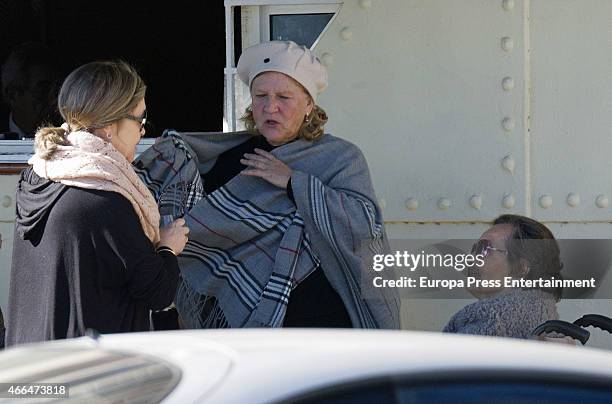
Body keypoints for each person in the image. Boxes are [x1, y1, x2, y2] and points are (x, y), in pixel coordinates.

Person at [135, 40, 400, 329]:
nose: (270, 107)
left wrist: (293, 182)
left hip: (325, 325)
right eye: (261, 95)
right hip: (244, 332)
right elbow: (197, 231)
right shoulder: (223, 157)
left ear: (309, 104)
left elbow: (364, 226)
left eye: (284, 97)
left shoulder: (340, 158)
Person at [6, 60, 189, 346]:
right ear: (109, 127)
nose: (142, 131)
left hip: (31, 363)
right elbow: (157, 292)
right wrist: (168, 247)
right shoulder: (105, 200)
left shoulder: (37, 175)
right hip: (87, 374)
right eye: (140, 120)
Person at [443, 214, 562, 339]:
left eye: (484, 249)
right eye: (474, 249)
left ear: (521, 268)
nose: (471, 258)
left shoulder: (493, 320)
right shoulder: (542, 317)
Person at [0, 42, 62, 139]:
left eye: (56, 91)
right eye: (43, 90)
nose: (54, 101)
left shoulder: (68, 134)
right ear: (12, 95)